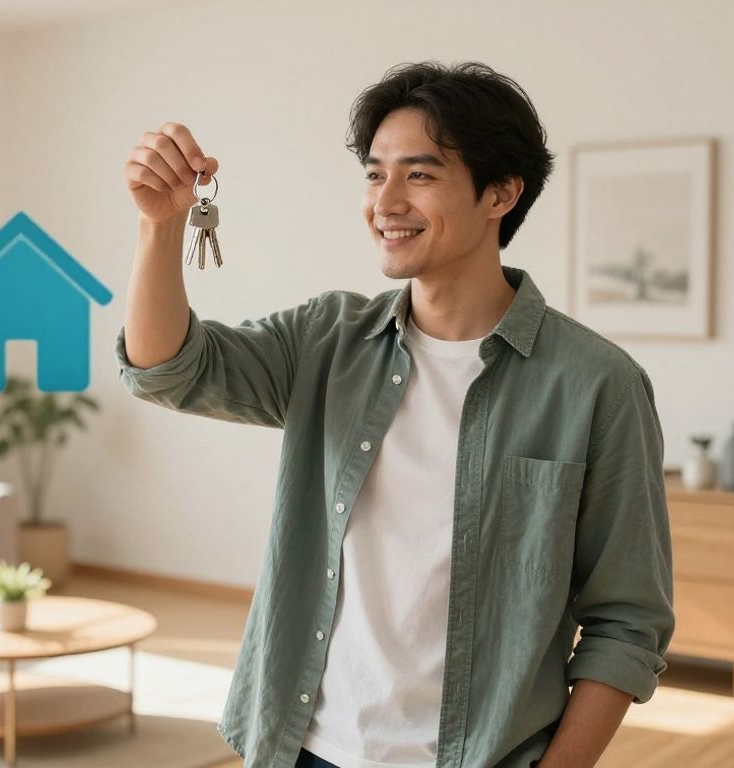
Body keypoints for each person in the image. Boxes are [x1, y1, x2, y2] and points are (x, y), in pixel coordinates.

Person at [114, 60, 673, 768]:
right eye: (375, 174)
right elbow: (167, 370)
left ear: (500, 193)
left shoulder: (598, 384)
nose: (386, 201)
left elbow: (627, 622)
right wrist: (158, 228)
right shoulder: (328, 339)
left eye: (420, 174)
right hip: (303, 747)